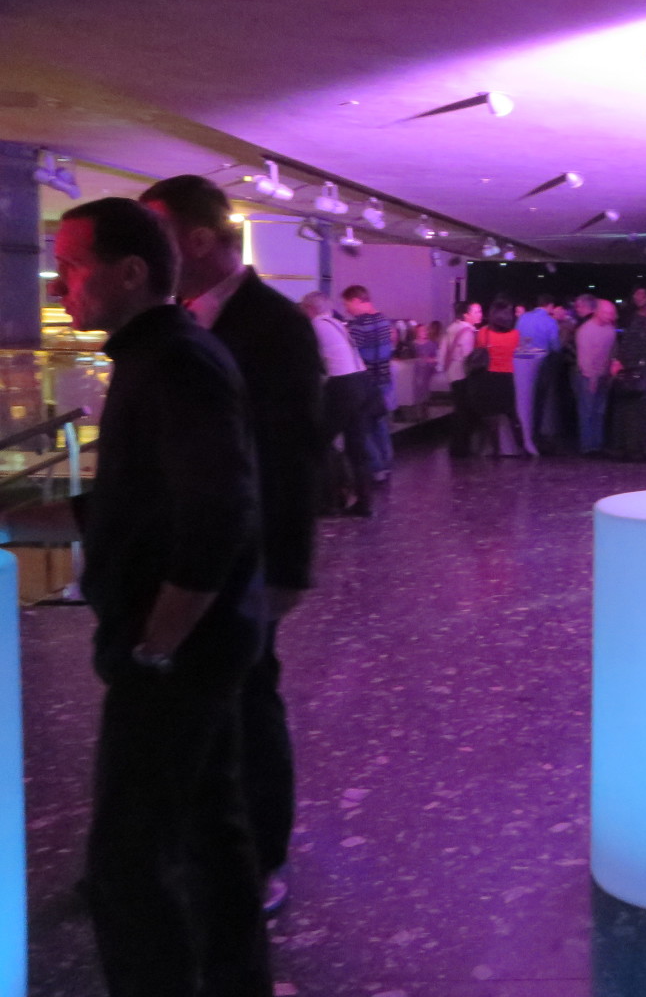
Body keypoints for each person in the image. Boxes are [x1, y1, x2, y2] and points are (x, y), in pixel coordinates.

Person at [4, 198, 272, 996]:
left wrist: (156, 644)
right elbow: (131, 507)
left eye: (73, 266)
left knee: (128, 860)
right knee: (211, 828)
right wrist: (15, 516)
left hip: (177, 654)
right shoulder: (159, 356)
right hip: (200, 643)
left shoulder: (174, 361)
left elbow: (218, 514)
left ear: (129, 272)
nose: (61, 286)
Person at [140, 175, 322, 915]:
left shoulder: (274, 323)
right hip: (195, 549)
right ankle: (197, 844)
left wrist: (288, 566)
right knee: (205, 700)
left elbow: (294, 451)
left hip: (249, 552)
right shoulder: (177, 320)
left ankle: (262, 858)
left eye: (155, 234)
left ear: (197, 239)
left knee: (249, 700)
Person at [300, 291, 375, 518]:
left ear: (310, 308)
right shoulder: (339, 324)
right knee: (356, 448)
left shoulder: (315, 326)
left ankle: (328, 502)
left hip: (342, 387)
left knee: (319, 443)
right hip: (362, 383)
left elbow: (308, 362)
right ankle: (364, 503)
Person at [341, 286, 395, 482]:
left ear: (356, 300)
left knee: (363, 426)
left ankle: (376, 467)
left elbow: (353, 353)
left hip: (366, 382)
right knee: (380, 423)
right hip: (385, 378)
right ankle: (386, 464)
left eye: (347, 304)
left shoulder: (357, 325)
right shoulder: (384, 319)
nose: (347, 309)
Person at [611, 294, 646, 461]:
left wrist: (619, 363)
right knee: (642, 413)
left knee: (627, 411)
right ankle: (638, 449)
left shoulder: (635, 326)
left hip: (629, 374)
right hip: (644, 375)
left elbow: (625, 349)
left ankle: (624, 448)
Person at [472, 297, 525, 456]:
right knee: (512, 414)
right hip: (508, 376)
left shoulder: (484, 333)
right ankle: (522, 447)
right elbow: (519, 351)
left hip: (489, 377)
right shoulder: (515, 335)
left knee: (491, 416)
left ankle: (494, 449)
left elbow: (477, 350)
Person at [514, 294, 561, 456]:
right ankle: (537, 436)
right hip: (541, 364)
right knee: (540, 401)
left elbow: (517, 338)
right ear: (550, 306)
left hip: (521, 362)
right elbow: (555, 346)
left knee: (525, 401)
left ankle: (525, 436)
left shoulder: (523, 318)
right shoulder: (550, 321)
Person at [575, 298, 618, 456]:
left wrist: (610, 372)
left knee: (599, 411)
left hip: (603, 375)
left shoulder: (610, 330)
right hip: (588, 375)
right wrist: (592, 379)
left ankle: (597, 445)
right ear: (597, 312)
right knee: (588, 411)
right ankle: (588, 447)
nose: (611, 316)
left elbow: (611, 353)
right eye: (607, 313)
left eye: (612, 313)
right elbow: (584, 360)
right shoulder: (585, 331)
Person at [439, 300, 483, 456]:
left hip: (452, 373)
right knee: (464, 411)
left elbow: (442, 351)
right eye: (476, 312)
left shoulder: (451, 328)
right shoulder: (468, 332)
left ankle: (457, 446)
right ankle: (461, 447)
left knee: (460, 410)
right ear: (466, 314)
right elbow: (468, 357)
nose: (480, 315)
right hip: (462, 374)